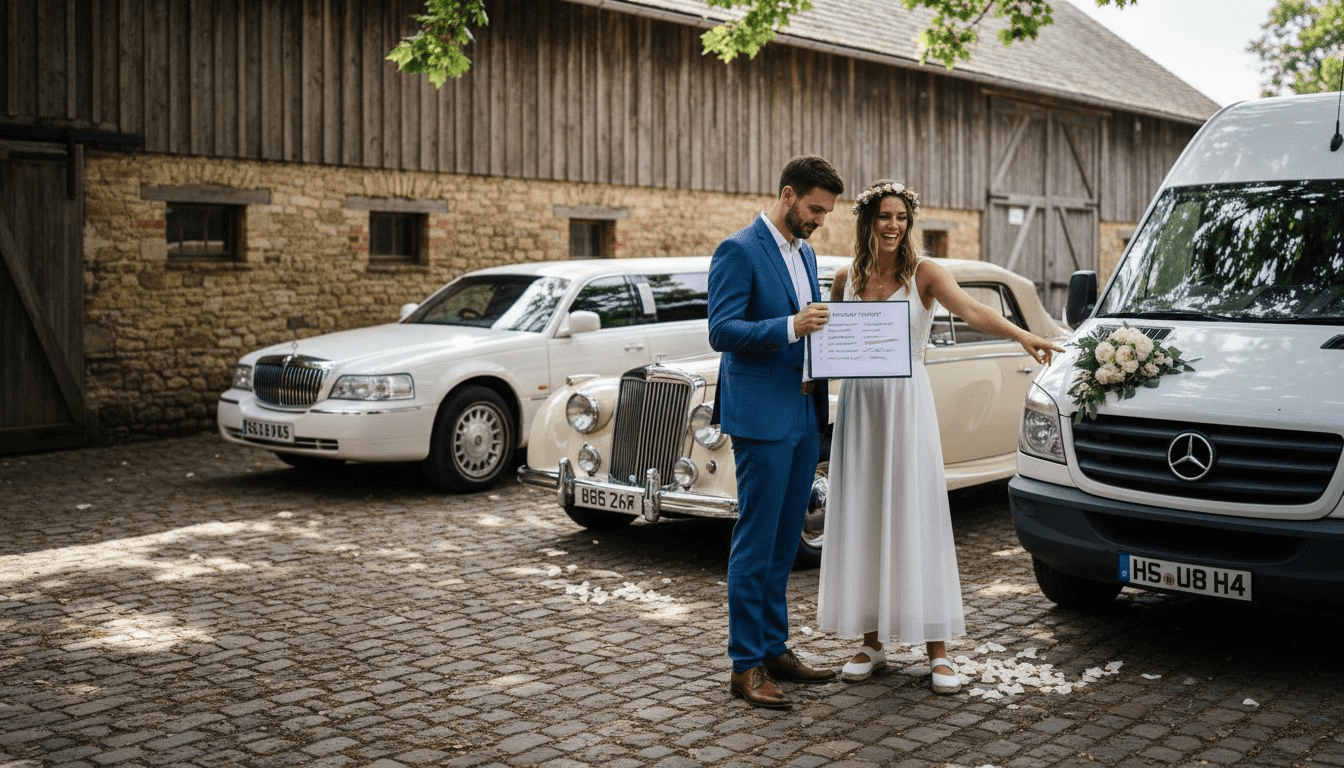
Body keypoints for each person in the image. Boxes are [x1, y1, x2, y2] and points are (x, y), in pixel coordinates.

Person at [816, 179, 1064, 693]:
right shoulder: (845, 277)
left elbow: (972, 310)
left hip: (907, 406)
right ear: (868, 221)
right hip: (861, 409)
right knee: (865, 513)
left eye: (901, 217)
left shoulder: (924, 273)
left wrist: (1023, 335)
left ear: (909, 223)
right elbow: (832, 339)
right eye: (884, 216)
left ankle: (938, 650)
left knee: (917, 514)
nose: (893, 225)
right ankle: (871, 642)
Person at [707, 155, 845, 709]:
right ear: (788, 195)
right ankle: (745, 665)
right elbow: (722, 330)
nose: (819, 220)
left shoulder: (805, 252)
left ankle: (773, 646)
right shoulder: (738, 250)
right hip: (762, 417)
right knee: (757, 540)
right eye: (815, 209)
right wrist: (791, 326)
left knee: (786, 541)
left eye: (826, 213)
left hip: (805, 413)